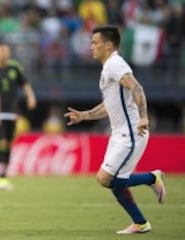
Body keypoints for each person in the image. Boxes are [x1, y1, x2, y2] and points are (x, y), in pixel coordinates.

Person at [64, 25, 166, 234]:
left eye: (95, 43)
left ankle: (152, 178)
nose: (91, 47)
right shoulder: (108, 68)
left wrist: (144, 116)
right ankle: (140, 222)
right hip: (118, 134)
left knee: (105, 179)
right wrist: (84, 116)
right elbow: (109, 106)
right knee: (112, 182)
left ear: (108, 44)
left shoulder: (115, 64)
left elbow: (137, 87)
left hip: (131, 134)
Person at [0, 43, 36, 190]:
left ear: (9, 53)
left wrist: (30, 96)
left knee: (8, 143)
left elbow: (24, 83)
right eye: (0, 51)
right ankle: (1, 176)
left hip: (11, 111)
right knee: (1, 141)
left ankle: (4, 175)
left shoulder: (15, 67)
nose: (2, 54)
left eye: (5, 51)